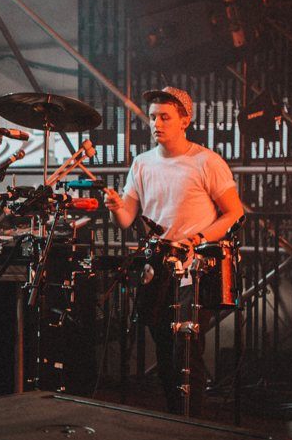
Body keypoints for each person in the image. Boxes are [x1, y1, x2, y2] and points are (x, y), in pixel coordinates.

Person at [104, 86, 244, 415]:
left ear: (185, 120)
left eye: (165, 117)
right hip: (158, 264)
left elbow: (234, 212)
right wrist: (115, 207)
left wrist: (198, 238)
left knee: (187, 345)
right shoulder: (142, 163)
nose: (156, 123)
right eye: (153, 117)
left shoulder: (206, 161)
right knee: (164, 345)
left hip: (196, 267)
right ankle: (175, 415)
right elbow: (126, 219)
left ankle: (190, 420)